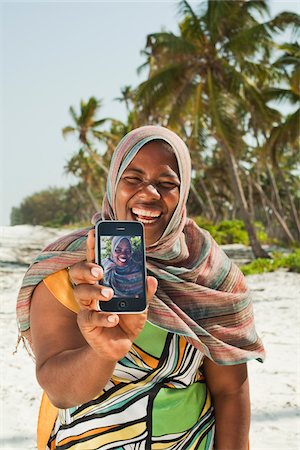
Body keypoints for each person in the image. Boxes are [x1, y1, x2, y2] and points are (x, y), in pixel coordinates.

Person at [16, 125, 265, 450]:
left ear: (183, 192)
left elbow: (230, 392)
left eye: (167, 184)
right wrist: (102, 353)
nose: (149, 194)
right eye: (133, 179)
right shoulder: (68, 271)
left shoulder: (210, 275)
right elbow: (61, 392)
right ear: (113, 184)